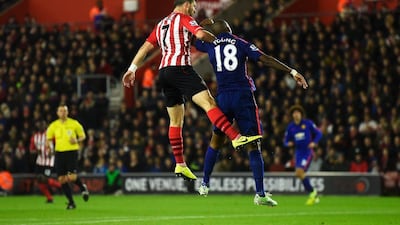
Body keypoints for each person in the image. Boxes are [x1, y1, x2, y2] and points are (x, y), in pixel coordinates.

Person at [122, 0, 261, 181]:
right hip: (181, 68)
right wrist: (220, 42)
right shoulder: (183, 18)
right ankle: (235, 137)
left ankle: (180, 164)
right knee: (209, 102)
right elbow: (201, 35)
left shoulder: (161, 24)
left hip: (164, 73)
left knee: (175, 120)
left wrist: (132, 69)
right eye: (194, 6)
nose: (195, 10)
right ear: (187, 4)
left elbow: (145, 48)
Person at [194, 19, 308, 206]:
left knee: (216, 140)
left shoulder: (210, 46)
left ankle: (205, 183)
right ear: (229, 29)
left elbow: (192, 37)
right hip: (242, 97)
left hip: (222, 98)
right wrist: (292, 71)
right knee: (254, 144)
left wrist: (199, 24)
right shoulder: (239, 42)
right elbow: (265, 59)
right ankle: (260, 193)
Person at [46, 105, 89, 210]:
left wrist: (77, 140)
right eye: (61, 111)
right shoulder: (53, 125)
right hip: (59, 153)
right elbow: (49, 139)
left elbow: (83, 136)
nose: (63, 113)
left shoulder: (74, 123)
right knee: (61, 179)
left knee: (72, 177)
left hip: (71, 152)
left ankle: (83, 188)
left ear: (67, 112)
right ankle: (71, 202)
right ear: (57, 113)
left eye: (65, 111)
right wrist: (50, 148)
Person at [284, 105, 322, 205]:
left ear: (301, 114)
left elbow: (319, 133)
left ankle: (313, 193)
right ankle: (314, 194)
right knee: (298, 174)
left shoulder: (308, 123)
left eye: (298, 113)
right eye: (294, 113)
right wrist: (289, 144)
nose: (296, 114)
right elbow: (285, 141)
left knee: (299, 172)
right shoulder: (291, 127)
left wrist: (314, 142)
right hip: (298, 153)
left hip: (307, 152)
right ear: (292, 115)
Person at [29, 120, 61, 203]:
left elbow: (59, 143)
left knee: (44, 178)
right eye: (40, 125)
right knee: (40, 180)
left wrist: (53, 151)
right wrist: (36, 151)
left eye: (43, 125)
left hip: (49, 162)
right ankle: (49, 198)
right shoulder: (35, 137)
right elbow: (31, 150)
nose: (41, 127)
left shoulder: (50, 135)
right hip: (40, 162)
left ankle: (60, 186)